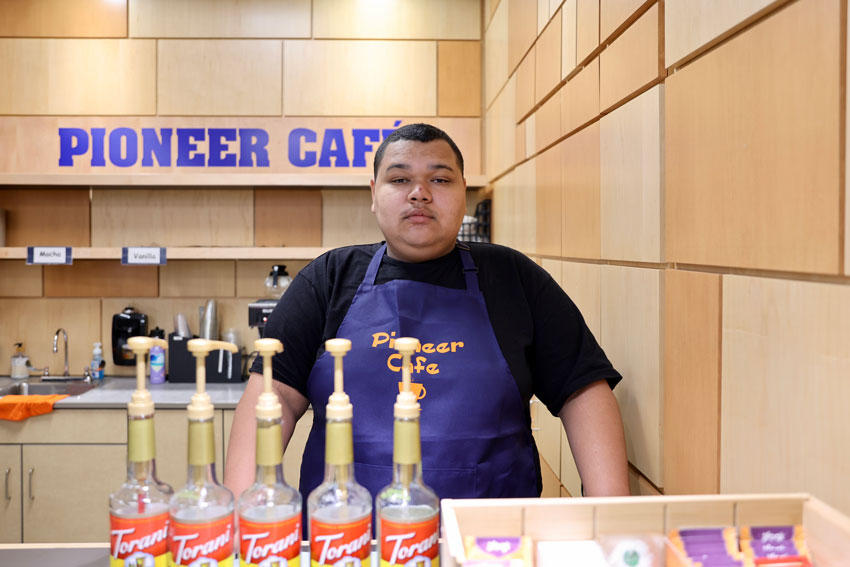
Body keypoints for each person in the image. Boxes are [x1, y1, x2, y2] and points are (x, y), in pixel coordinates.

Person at [224, 123, 630, 503]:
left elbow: (583, 391)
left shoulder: (512, 278)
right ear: (373, 192)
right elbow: (272, 394)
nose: (419, 193)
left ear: (463, 191)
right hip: (346, 539)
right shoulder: (328, 278)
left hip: (488, 544)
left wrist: (612, 519)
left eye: (439, 179)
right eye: (400, 179)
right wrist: (241, 520)